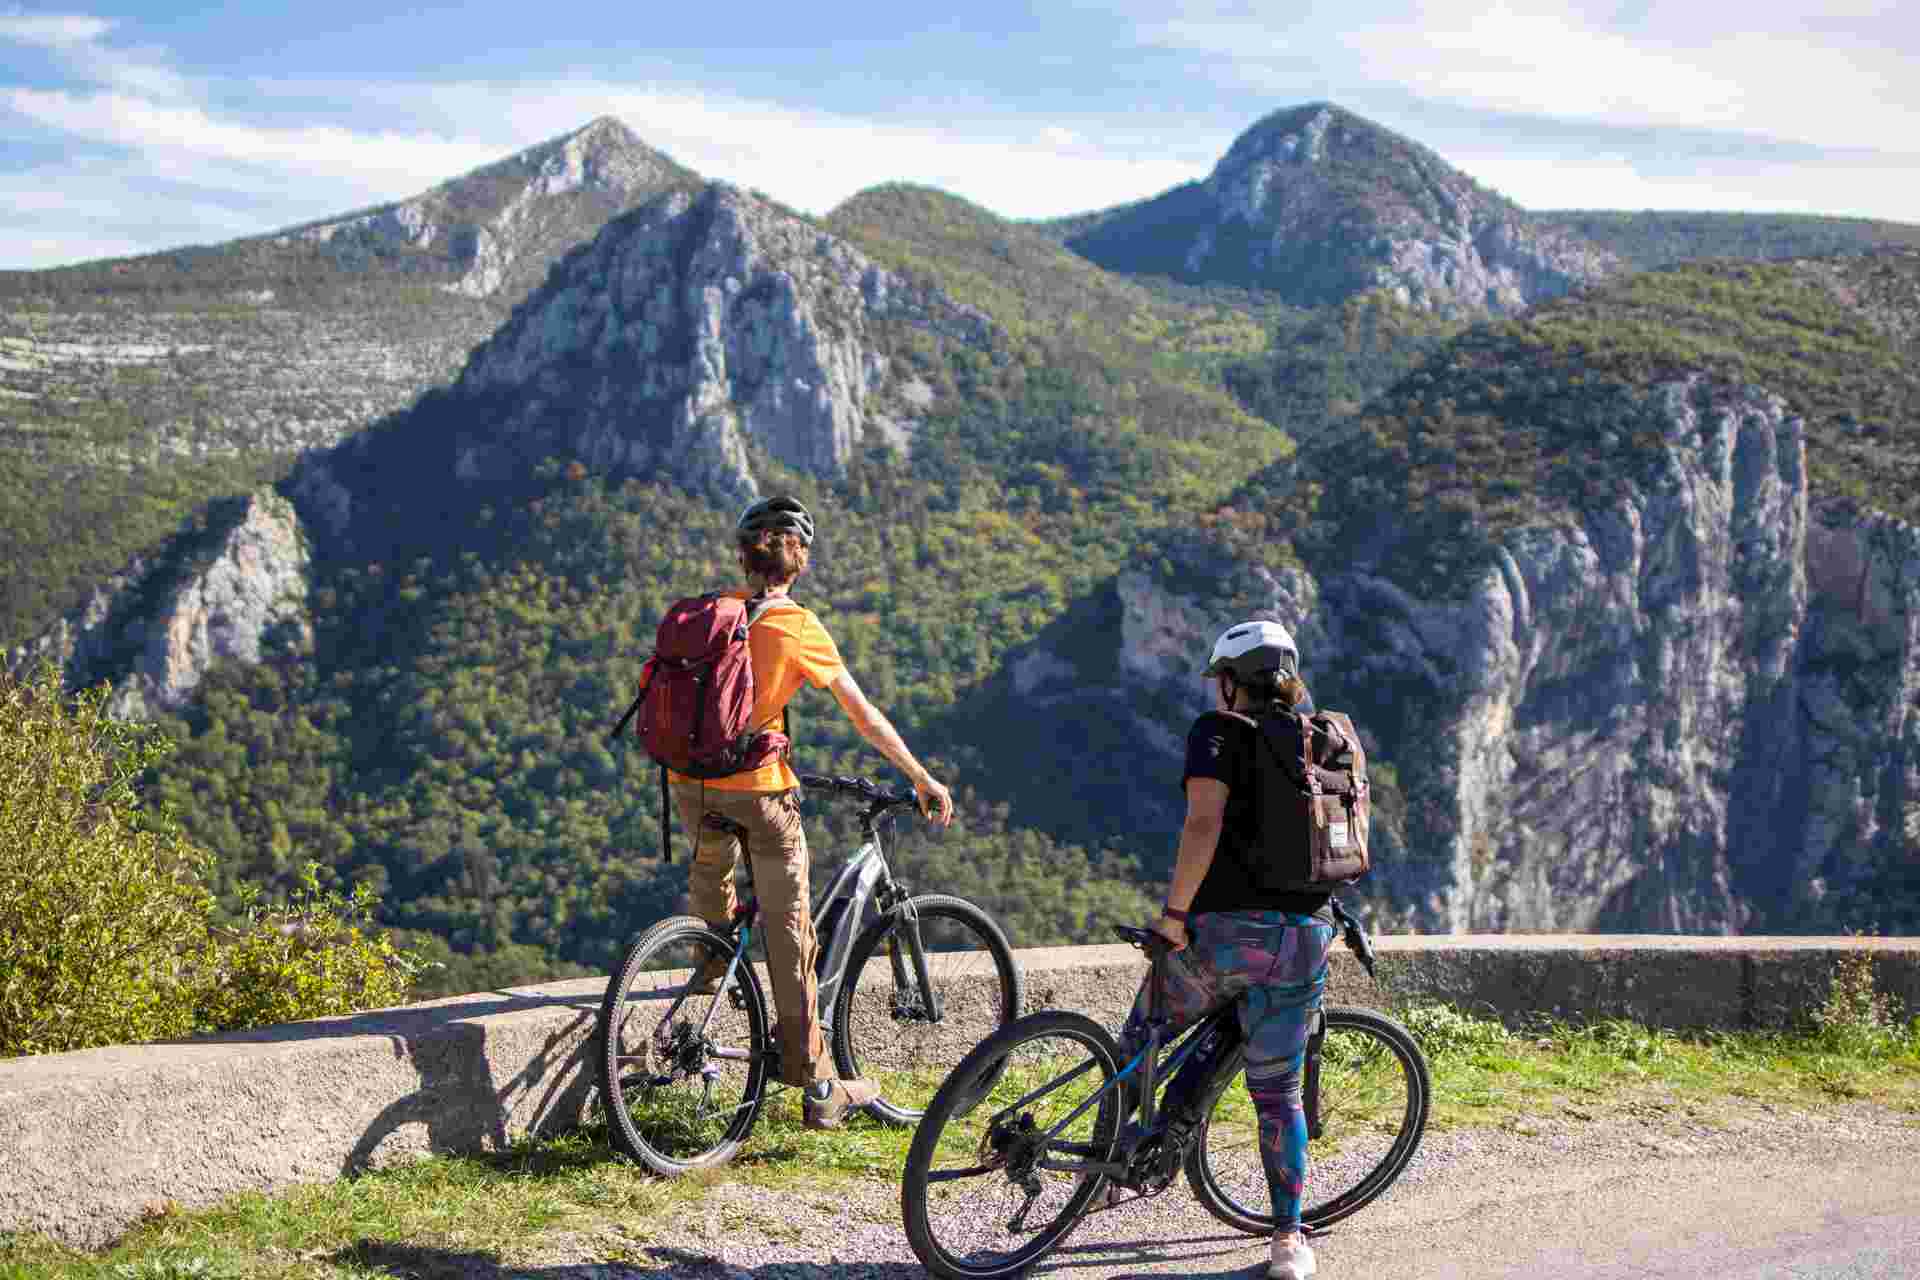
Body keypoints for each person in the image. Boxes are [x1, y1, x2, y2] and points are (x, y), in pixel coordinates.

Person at [668, 494, 954, 1130]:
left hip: (690, 782)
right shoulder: (796, 626)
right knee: (791, 933)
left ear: (745, 559)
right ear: (798, 563)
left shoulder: (712, 614)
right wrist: (921, 777)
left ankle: (712, 973)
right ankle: (818, 1084)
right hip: (760, 789)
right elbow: (863, 715)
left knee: (711, 868)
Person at [1116, 618, 1335, 1280]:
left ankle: (1102, 1176)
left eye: (1220, 680)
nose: (1216, 693)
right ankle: (1289, 1244)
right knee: (1279, 1095)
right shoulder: (1320, 738)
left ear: (1236, 683)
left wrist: (1175, 915)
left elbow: (1203, 821)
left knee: (1134, 1048)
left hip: (1226, 936)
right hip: (1303, 938)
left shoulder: (1219, 732)